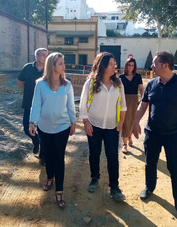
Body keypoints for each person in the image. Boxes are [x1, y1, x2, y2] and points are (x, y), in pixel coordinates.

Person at [132, 51, 177, 221]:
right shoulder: (151, 84)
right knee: (150, 163)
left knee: (175, 170)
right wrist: (135, 122)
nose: (151, 66)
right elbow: (143, 105)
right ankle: (149, 187)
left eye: (154, 63)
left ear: (165, 65)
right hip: (152, 133)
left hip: (173, 135)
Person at [29, 52, 76, 208]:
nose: (64, 66)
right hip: (45, 127)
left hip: (62, 127)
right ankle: (49, 177)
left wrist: (73, 121)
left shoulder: (67, 85)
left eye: (63, 63)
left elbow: (70, 106)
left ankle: (59, 191)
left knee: (59, 157)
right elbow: (36, 105)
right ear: (52, 66)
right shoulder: (40, 84)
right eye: (61, 63)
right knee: (48, 155)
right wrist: (32, 122)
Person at [79, 52, 127, 202]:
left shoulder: (118, 84)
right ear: (103, 65)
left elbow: (123, 105)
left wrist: (120, 123)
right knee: (94, 153)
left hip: (112, 126)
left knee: (113, 156)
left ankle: (114, 186)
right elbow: (82, 103)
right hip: (94, 124)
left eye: (115, 64)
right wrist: (86, 122)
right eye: (112, 64)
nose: (115, 67)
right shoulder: (91, 83)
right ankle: (94, 178)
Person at [17, 48, 48, 166]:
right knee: (26, 127)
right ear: (37, 57)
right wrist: (29, 90)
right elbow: (19, 81)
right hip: (29, 103)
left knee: (44, 130)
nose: (45, 57)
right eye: (43, 55)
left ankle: (43, 157)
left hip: (44, 105)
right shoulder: (28, 68)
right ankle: (36, 141)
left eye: (47, 55)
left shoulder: (48, 69)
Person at [119, 58, 144, 154]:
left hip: (134, 100)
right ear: (126, 66)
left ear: (135, 66)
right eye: (129, 65)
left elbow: (141, 88)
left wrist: (142, 98)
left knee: (132, 120)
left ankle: (130, 136)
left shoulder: (138, 77)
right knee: (124, 121)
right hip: (123, 100)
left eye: (132, 65)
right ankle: (125, 144)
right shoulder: (121, 77)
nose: (130, 67)